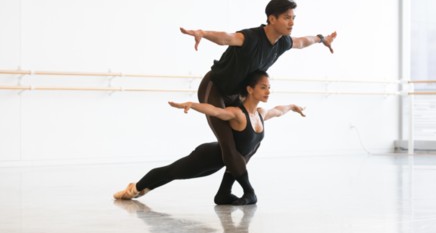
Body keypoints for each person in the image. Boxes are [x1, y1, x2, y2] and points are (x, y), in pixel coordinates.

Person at [180, 0, 336, 204]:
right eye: (286, 18)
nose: (291, 22)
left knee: (249, 141)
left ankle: (223, 192)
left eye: (293, 18)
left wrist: (321, 38)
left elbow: (301, 42)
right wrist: (202, 33)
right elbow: (226, 38)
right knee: (228, 144)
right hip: (215, 87)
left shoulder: (283, 42)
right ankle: (249, 192)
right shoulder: (251, 37)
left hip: (237, 94)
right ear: (272, 19)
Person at [113, 71, 305, 205]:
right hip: (206, 157)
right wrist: (192, 104)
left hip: (225, 163)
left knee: (243, 156)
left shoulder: (261, 114)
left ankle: (224, 195)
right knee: (170, 172)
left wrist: (293, 107)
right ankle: (133, 189)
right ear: (249, 89)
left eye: (269, 87)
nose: (268, 91)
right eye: (263, 87)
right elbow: (214, 110)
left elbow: (278, 110)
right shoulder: (237, 113)